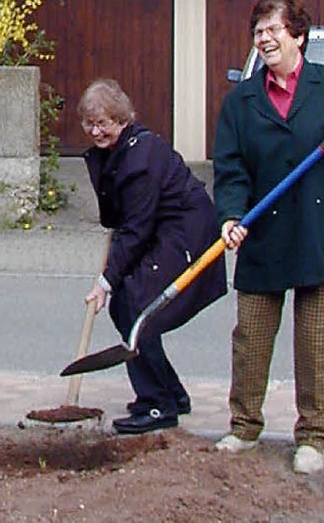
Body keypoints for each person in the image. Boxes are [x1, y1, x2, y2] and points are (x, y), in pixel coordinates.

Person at [213, 0, 324, 473]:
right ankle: (244, 428)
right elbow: (230, 172)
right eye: (258, 32)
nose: (265, 39)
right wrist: (230, 217)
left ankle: (311, 437)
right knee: (250, 337)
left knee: (314, 342)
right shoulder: (241, 102)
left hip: (323, 236)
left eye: (273, 30)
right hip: (263, 235)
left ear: (299, 35)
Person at [79, 79, 227, 435]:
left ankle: (158, 405)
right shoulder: (113, 153)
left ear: (122, 119)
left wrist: (106, 281)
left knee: (135, 304)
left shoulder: (140, 158)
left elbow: (137, 228)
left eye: (104, 123)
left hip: (186, 231)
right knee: (127, 307)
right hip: (158, 229)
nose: (96, 131)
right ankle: (171, 394)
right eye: (89, 123)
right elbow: (120, 217)